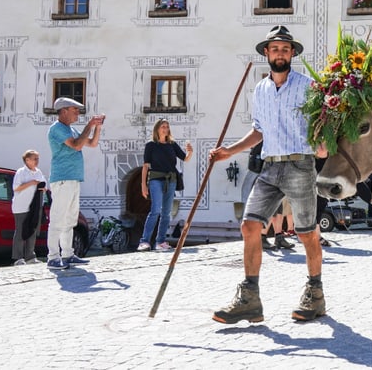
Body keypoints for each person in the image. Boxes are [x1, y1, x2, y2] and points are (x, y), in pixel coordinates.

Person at [208, 25, 326, 323]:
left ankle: (315, 294)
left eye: (285, 49)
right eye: (275, 49)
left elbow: (322, 123)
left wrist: (324, 144)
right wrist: (229, 152)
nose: (280, 53)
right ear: (266, 53)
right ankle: (250, 298)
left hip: (300, 164)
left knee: (306, 232)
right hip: (270, 166)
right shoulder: (260, 90)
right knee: (249, 226)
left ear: (292, 54)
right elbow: (258, 130)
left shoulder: (308, 86)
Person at [47, 97, 104, 270]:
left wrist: (97, 127)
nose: (78, 113)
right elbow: (77, 145)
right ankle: (53, 257)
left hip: (72, 179)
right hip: (63, 179)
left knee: (70, 219)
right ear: (64, 111)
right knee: (58, 218)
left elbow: (92, 143)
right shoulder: (57, 129)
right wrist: (90, 125)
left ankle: (67, 254)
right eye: (75, 110)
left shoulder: (70, 129)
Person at [138, 119, 192, 251]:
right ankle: (144, 241)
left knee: (166, 213)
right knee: (155, 210)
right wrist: (143, 186)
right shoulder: (151, 145)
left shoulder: (172, 145)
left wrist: (190, 152)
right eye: (163, 126)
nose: (165, 129)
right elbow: (145, 166)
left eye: (167, 127)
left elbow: (185, 158)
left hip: (171, 180)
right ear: (157, 129)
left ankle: (160, 242)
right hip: (155, 179)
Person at [11, 150, 46, 265]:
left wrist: (43, 187)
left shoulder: (38, 172)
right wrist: (31, 183)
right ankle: (18, 258)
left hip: (35, 207)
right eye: (35, 159)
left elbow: (44, 185)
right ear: (27, 160)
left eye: (38, 159)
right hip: (21, 207)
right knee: (21, 231)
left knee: (33, 230)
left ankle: (30, 256)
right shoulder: (21, 172)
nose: (37, 161)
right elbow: (16, 188)